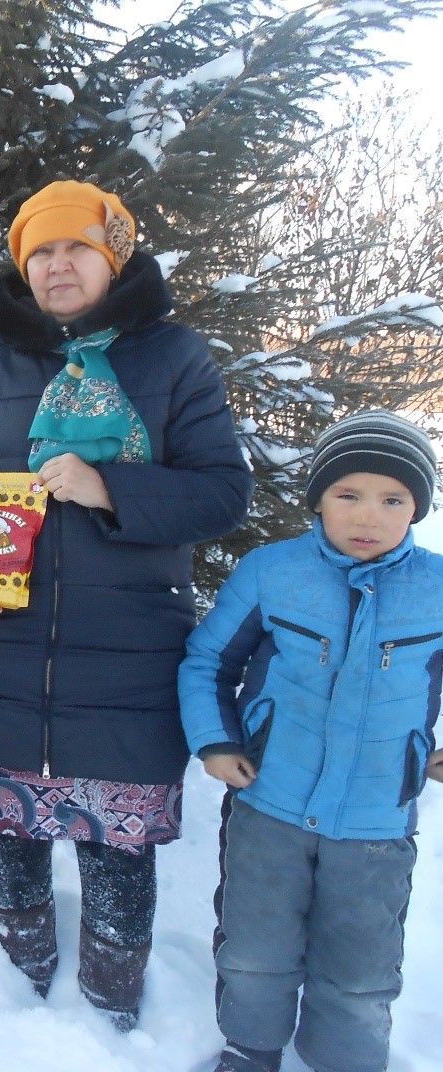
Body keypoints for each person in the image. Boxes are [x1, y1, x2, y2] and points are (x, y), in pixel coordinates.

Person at [0, 179, 252, 1029]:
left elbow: (223, 491)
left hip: (126, 656)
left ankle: (111, 1007)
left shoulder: (172, 358)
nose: (58, 266)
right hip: (2, 648)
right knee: (11, 836)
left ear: (113, 258)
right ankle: (15, 985)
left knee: (118, 849)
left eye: (77, 249)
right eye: (42, 253)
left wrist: (110, 488)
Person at [179, 410, 443, 1072]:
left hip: (376, 819)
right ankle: (250, 1047)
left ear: (417, 507)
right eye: (348, 494)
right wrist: (215, 741)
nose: (368, 515)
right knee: (254, 948)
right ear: (318, 499)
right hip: (270, 802)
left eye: (392, 500)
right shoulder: (272, 572)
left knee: (361, 966)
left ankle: (344, 1058)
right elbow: (208, 662)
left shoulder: (437, 589)